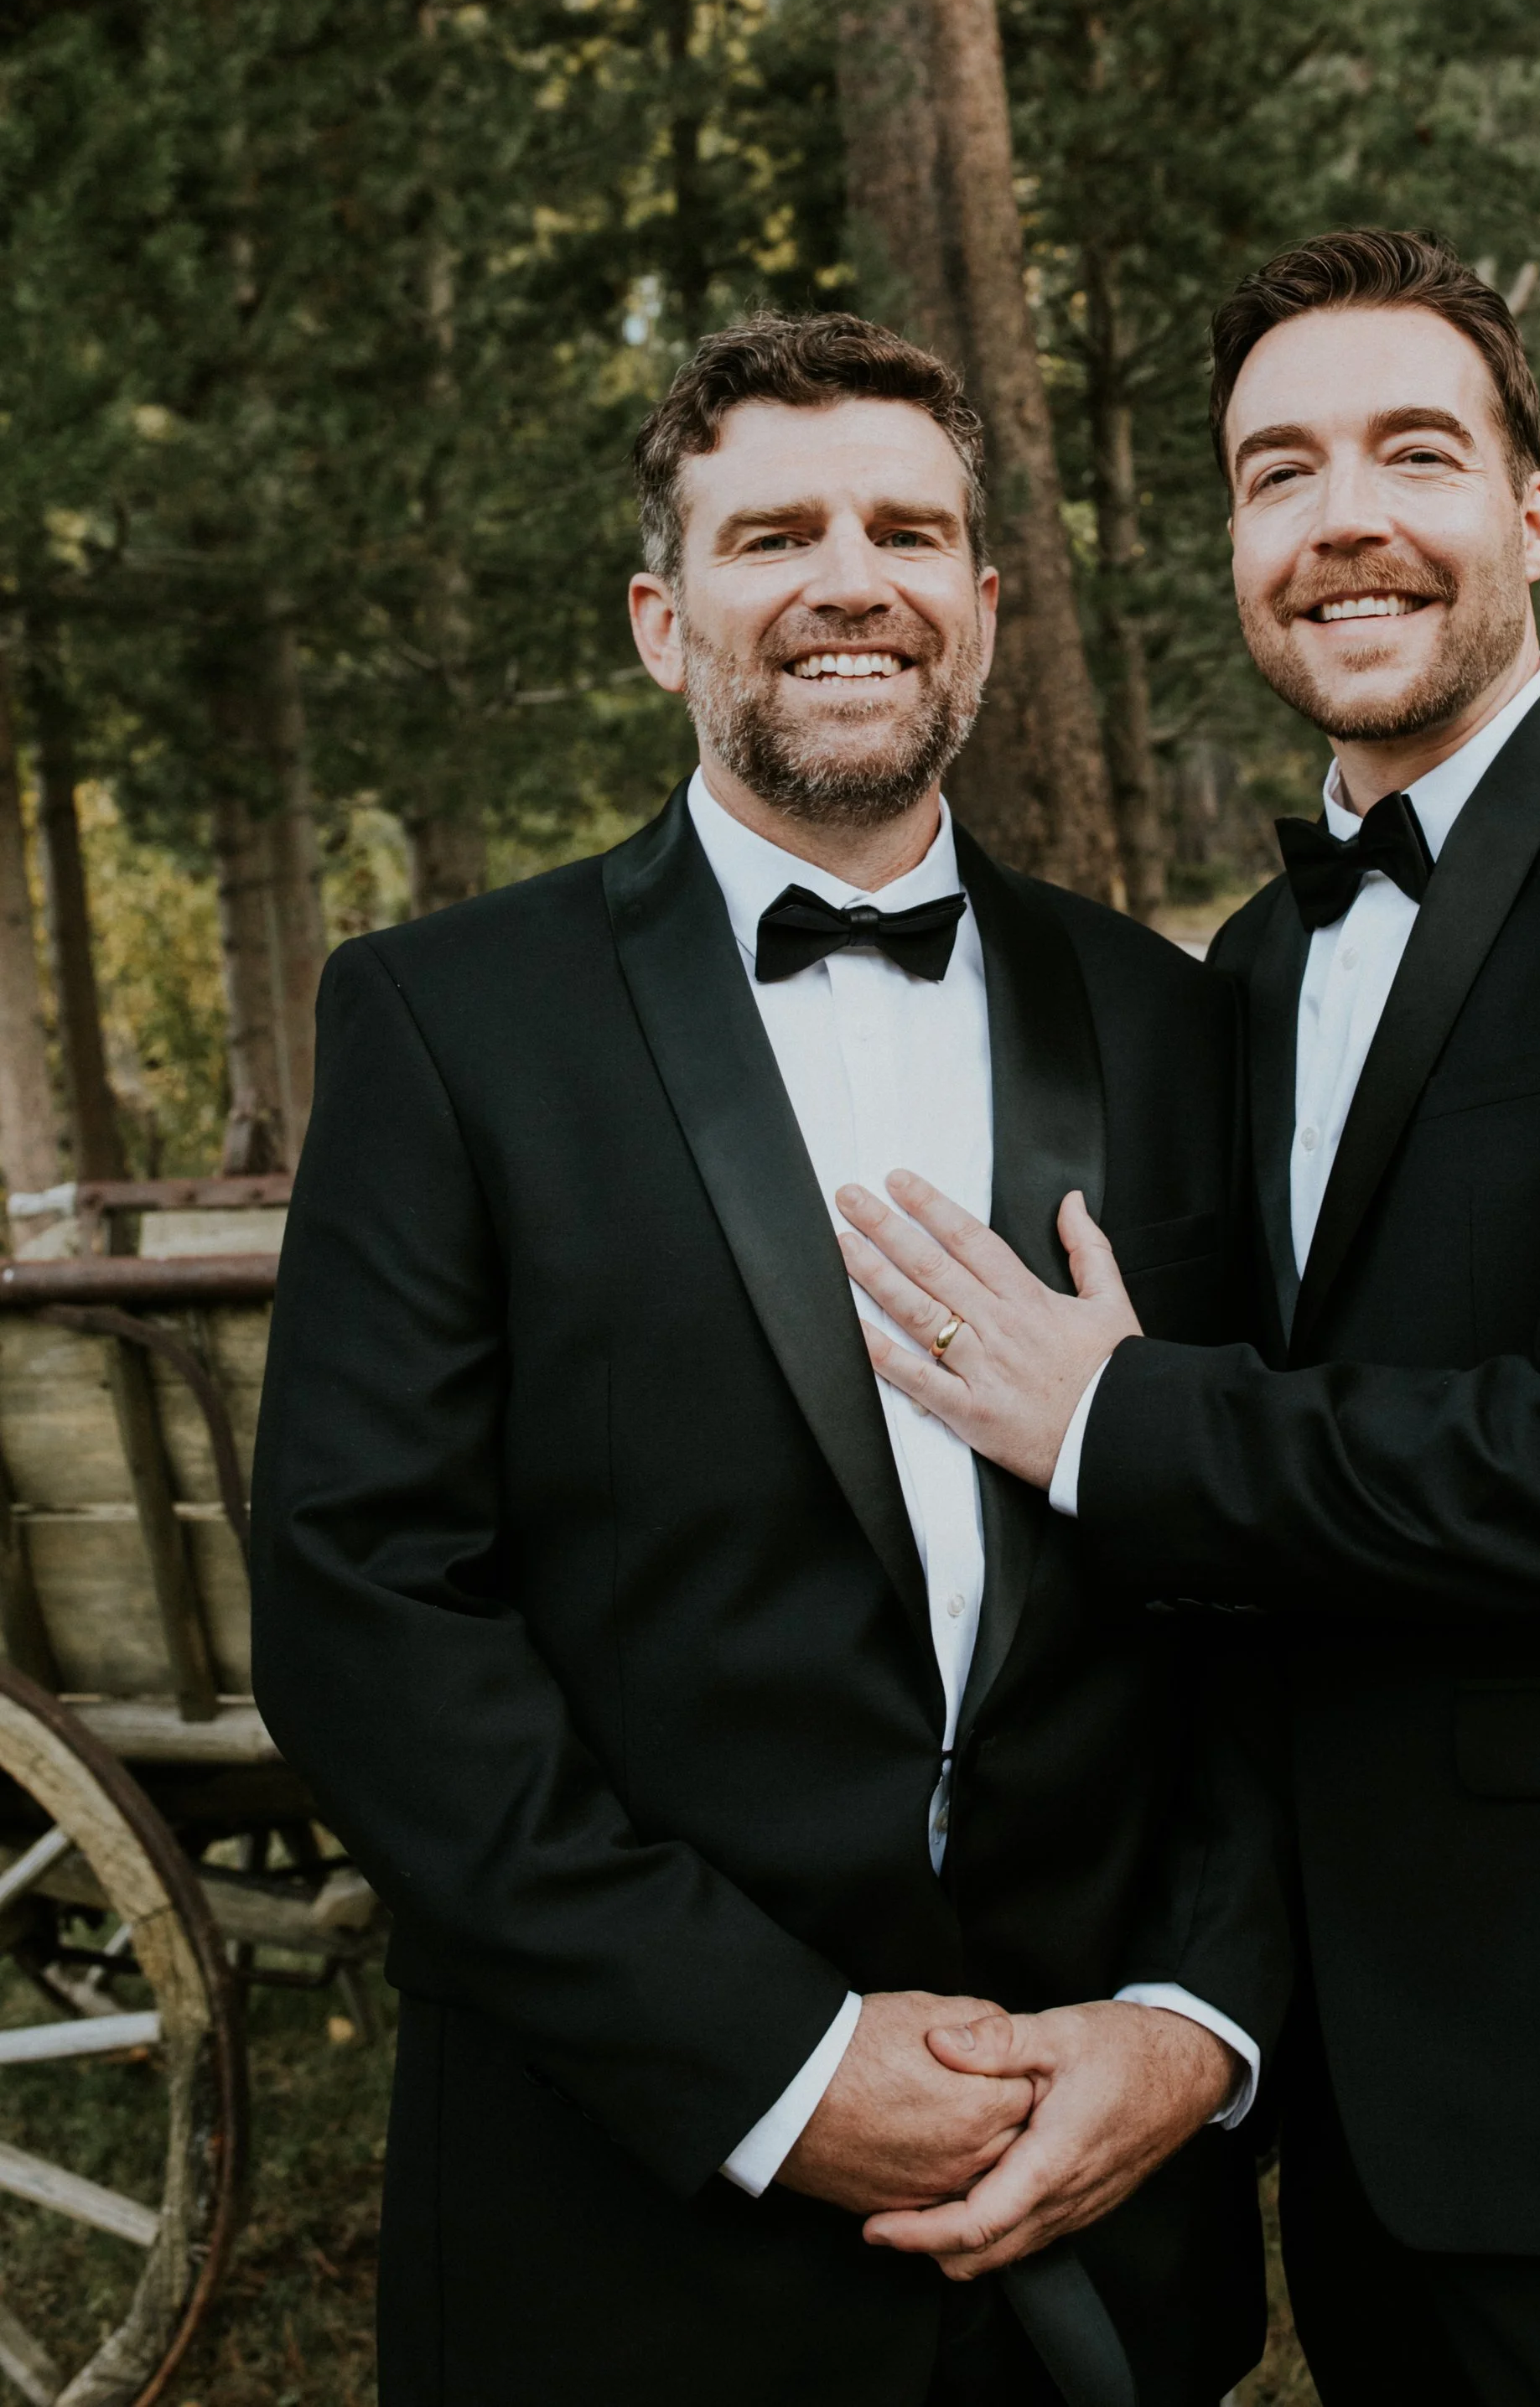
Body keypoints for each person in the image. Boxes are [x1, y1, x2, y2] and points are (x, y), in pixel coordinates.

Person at [839, 229, 1540, 2407]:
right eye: (1278, 471)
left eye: (1411, 452)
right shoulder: (1252, 964)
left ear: (1527, 508)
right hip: (1361, 2093)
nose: (1340, 517)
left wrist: (1118, 1423)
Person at [250, 312, 1287, 2407]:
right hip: (626, 2221)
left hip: (1095, 2211)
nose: (847, 581)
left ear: (979, 607)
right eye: (770, 535)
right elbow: (367, 1606)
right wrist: (774, 2063)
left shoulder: (1172, 1018)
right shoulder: (447, 1023)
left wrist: (1192, 2021)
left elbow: (1263, 1573)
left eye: (904, 532)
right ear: (662, 622)